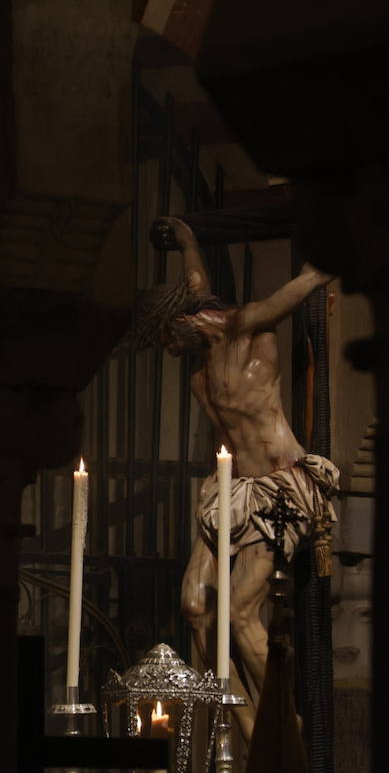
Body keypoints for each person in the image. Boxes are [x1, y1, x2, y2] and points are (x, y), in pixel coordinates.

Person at [128, 217, 338, 744]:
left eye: (165, 339)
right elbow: (195, 283)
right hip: (230, 489)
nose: (168, 351)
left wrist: (320, 272)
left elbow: (276, 302)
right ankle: (249, 726)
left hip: (278, 487)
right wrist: (188, 241)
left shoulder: (243, 332)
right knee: (196, 608)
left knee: (243, 611)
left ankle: (281, 728)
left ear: (185, 323)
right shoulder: (201, 364)